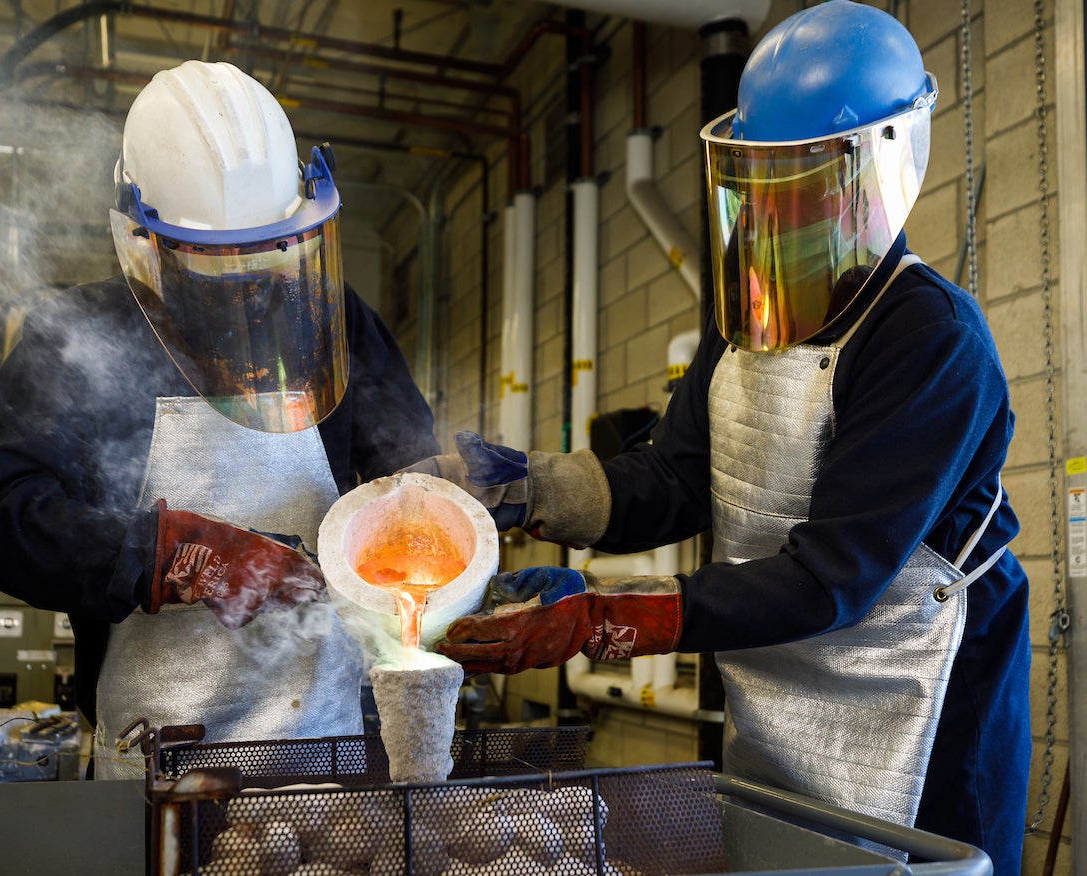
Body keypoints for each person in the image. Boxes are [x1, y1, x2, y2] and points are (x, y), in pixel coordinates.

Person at [411, 2, 1030, 871]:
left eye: (806, 193)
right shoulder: (747, 319)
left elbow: (830, 581)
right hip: (777, 685)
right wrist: (525, 488)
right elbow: (675, 476)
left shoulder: (928, 338)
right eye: (763, 191)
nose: (779, 221)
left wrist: (603, 618)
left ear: (880, 172)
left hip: (919, 698)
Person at [0, 60, 440, 779]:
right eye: (213, 265)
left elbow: (411, 483)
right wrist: (169, 556)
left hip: (324, 751)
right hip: (154, 764)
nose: (245, 290)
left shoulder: (335, 323)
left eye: (266, 255)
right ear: (144, 240)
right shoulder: (77, 337)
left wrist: (447, 532)